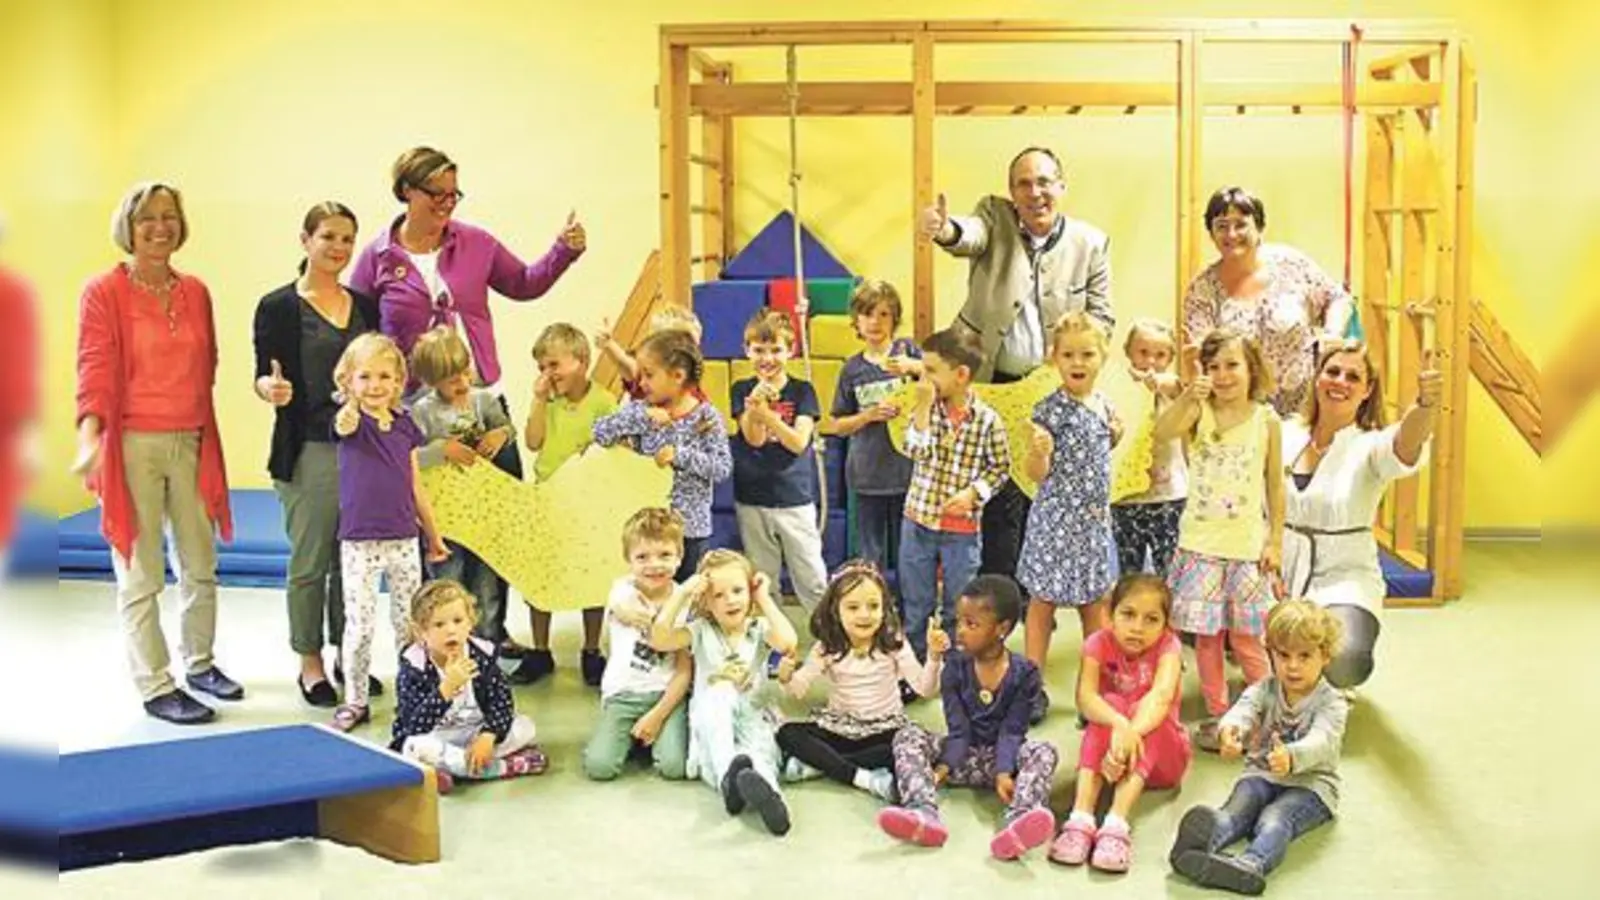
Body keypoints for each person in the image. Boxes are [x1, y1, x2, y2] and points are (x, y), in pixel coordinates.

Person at [349, 145, 586, 655]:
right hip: (420, 410)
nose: (446, 203)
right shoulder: (377, 258)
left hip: (482, 402)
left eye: (454, 193)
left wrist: (563, 251)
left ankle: (492, 632)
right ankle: (442, 637)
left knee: (499, 524)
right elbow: (359, 332)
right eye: (436, 193)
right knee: (442, 531)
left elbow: (524, 283)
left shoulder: (475, 243)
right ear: (406, 192)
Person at [74, 182, 238, 725]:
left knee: (200, 563)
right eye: (146, 218)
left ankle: (200, 663)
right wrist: (90, 436)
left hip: (191, 440)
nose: (160, 227)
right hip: (131, 445)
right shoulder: (104, 292)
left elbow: (207, 367)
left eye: (169, 216)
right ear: (128, 226)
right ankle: (155, 684)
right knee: (140, 572)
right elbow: (94, 366)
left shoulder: (196, 291)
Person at [918, 146, 1115, 582]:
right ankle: (994, 591)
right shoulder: (994, 216)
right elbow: (967, 236)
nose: (1034, 192)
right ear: (1011, 192)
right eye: (1023, 184)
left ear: (1061, 186)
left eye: (1043, 182)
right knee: (992, 493)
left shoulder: (1091, 243)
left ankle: (1034, 590)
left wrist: (1074, 352)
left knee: (1040, 490)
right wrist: (944, 229)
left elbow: (1103, 318)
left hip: (1051, 389)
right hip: (989, 382)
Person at [253, 202, 383, 707]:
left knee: (352, 563)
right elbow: (263, 373)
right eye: (328, 236)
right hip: (308, 448)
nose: (339, 247)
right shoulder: (278, 307)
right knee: (310, 562)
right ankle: (309, 661)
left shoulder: (365, 306)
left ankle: (348, 654)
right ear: (305, 240)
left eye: (347, 238)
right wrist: (269, 389)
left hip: (362, 451)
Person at [1281, 340, 1439, 690]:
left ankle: (1319, 682)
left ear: (1367, 391)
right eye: (1333, 371)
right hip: (1278, 571)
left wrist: (1425, 404)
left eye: (1353, 377)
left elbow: (1406, 443)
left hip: (1343, 576)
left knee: (1346, 660)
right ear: (1317, 378)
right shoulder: (1285, 433)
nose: (1340, 381)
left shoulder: (1370, 445)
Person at [1155, 330, 1284, 750]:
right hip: (1201, 546)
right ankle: (1219, 713)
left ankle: (1265, 713)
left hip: (1246, 547)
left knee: (1248, 638)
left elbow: (1275, 485)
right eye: (1214, 367)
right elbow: (1162, 430)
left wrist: (1275, 541)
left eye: (1232, 365)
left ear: (1251, 369)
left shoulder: (1267, 420)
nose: (1223, 375)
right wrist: (1188, 395)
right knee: (1207, 639)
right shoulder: (1199, 411)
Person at [1169, 600, 1349, 895]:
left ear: (1325, 656)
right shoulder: (1264, 688)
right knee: (1237, 809)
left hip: (1311, 786)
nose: (1292, 665)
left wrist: (1292, 756)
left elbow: (1323, 739)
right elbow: (1244, 710)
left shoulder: (1332, 702)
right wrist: (1231, 732)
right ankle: (1201, 845)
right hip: (1262, 774)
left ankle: (1252, 863)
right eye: (1283, 655)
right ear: (1271, 653)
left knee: (1275, 819)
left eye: (1304, 656)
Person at [875, 575, 1059, 860]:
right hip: (960, 757)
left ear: (1002, 629)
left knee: (1045, 751)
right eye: (959, 621)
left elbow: (1012, 730)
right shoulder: (954, 668)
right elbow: (958, 728)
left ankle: (1019, 820)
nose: (960, 631)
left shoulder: (1025, 674)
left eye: (971, 624)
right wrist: (943, 768)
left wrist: (1003, 771)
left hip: (1003, 762)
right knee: (907, 735)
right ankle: (922, 811)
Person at [330, 333, 450, 731]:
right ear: (348, 381)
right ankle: (355, 699)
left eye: (384, 376)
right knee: (360, 626)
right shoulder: (351, 421)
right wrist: (350, 405)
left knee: (408, 625)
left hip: (403, 539)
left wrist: (433, 535)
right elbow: (343, 423)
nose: (375, 385)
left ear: (399, 381)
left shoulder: (405, 426)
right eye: (364, 377)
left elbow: (415, 485)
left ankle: (412, 694)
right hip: (360, 542)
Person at [1016, 312, 1123, 724]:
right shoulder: (1048, 411)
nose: (1078, 362)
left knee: (1094, 606)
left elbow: (1102, 449)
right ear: (1054, 358)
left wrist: (1117, 432)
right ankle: (1031, 687)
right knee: (1041, 604)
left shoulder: (1105, 405)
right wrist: (1038, 452)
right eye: (1068, 355)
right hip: (1055, 524)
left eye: (1087, 354)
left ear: (1103, 357)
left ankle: (1091, 691)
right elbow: (1035, 473)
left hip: (1092, 526)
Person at [650, 550, 800, 837]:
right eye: (718, 595)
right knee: (721, 694)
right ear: (705, 601)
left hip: (753, 715)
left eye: (738, 591)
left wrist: (764, 599)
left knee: (758, 756)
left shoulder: (759, 628)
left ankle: (772, 799)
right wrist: (682, 593)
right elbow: (659, 638)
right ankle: (728, 780)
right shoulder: (700, 630)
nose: (730, 600)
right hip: (713, 721)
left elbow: (788, 643)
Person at [1049, 575, 1190, 873]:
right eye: (1128, 614)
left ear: (1166, 625)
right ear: (1108, 615)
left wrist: (1130, 732)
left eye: (1151, 619)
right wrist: (1119, 724)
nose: (1138, 627)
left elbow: (1162, 696)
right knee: (1108, 706)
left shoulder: (1170, 647)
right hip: (1111, 757)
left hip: (1164, 761)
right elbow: (1085, 698)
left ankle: (1116, 823)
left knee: (1147, 712)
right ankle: (1081, 817)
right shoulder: (1097, 644)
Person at [774, 560, 946, 800]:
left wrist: (934, 657)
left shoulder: (893, 643)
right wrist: (786, 677)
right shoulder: (827, 647)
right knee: (787, 733)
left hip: (885, 729)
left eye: (873, 606)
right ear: (836, 611)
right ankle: (862, 778)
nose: (864, 615)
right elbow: (798, 689)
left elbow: (925, 689)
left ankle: (820, 766)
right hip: (839, 728)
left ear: (884, 608)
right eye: (853, 607)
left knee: (910, 747)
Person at [1182, 186, 1355, 418]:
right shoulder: (1202, 290)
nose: (1231, 234)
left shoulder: (1290, 263)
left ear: (1259, 227)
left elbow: (1337, 297)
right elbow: (1204, 357)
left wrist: (1333, 333)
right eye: (1221, 226)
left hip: (1307, 411)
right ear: (1212, 234)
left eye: (1241, 225)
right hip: (1240, 416)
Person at [898, 328, 1010, 664]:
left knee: (959, 604)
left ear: (961, 375)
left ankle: (953, 666)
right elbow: (914, 450)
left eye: (931, 370)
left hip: (962, 531)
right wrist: (921, 408)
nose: (924, 377)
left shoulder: (988, 420)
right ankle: (915, 667)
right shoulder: (926, 410)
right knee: (916, 603)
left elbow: (1000, 468)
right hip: (919, 521)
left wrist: (974, 493)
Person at [516, 322, 618, 685]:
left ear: (582, 361)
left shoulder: (604, 401)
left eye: (554, 365)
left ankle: (591, 649)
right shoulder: (548, 401)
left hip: (588, 501)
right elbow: (533, 441)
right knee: (539, 574)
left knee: (592, 574)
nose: (548, 373)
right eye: (542, 367)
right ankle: (540, 650)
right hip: (548, 498)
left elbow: (613, 450)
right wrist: (538, 400)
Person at [592, 330, 732, 581]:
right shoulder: (642, 410)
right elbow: (600, 432)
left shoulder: (706, 417)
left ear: (677, 376)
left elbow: (721, 468)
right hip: (646, 533)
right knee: (647, 595)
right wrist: (642, 417)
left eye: (649, 375)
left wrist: (680, 456)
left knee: (686, 596)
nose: (641, 383)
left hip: (690, 532)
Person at [408, 326, 517, 642]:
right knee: (448, 582)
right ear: (431, 381)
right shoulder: (422, 412)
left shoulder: (483, 401)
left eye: (464, 373)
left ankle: (488, 643)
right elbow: (410, 458)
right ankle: (445, 644)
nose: (462, 383)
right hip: (445, 519)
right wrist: (441, 450)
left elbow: (507, 429)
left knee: (486, 583)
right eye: (451, 379)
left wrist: (500, 434)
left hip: (483, 513)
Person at [390, 580, 547, 795]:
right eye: (439, 625)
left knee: (525, 727)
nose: (451, 630)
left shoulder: (482, 655)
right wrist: (445, 690)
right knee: (414, 747)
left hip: (473, 733)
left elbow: (502, 702)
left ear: (470, 623)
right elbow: (414, 726)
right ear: (421, 632)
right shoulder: (414, 667)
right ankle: (498, 768)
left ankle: (451, 769)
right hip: (436, 737)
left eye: (458, 621)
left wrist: (488, 735)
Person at [583, 508, 692, 781]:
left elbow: (683, 670)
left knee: (674, 767)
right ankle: (633, 736)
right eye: (642, 557)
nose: (654, 565)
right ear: (628, 560)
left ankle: (648, 732)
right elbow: (629, 611)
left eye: (665, 555)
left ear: (679, 557)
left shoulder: (685, 602)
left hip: (665, 696)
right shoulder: (622, 591)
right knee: (600, 767)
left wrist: (658, 715)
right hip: (623, 694)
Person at [733, 310, 828, 610]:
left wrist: (767, 416)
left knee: (812, 577)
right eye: (759, 350)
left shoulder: (802, 391)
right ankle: (771, 635)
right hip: (752, 498)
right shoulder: (741, 389)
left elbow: (798, 442)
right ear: (747, 350)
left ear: (791, 351)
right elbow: (754, 439)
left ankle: (829, 634)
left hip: (794, 498)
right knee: (763, 580)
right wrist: (755, 407)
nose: (767, 358)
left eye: (776, 350)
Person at [829, 279, 919, 575]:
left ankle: (910, 605)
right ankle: (873, 602)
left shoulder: (909, 353)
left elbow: (941, 382)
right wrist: (867, 416)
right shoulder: (852, 369)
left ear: (895, 318)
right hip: (868, 475)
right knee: (871, 555)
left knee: (910, 554)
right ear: (856, 320)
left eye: (884, 314)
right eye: (868, 314)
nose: (875, 322)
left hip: (909, 472)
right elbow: (837, 424)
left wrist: (914, 368)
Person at [1110, 318, 1188, 578]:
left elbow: (1178, 387)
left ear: (1170, 358)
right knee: (1128, 571)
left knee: (1169, 570)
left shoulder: (1173, 388)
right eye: (1143, 352)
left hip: (1168, 497)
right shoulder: (1117, 389)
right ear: (1128, 352)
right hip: (1126, 498)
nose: (1150, 361)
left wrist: (1158, 383)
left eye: (1160, 355)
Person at [595, 305, 705, 402]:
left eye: (693, 345)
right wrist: (609, 346)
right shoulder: (649, 379)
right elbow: (631, 369)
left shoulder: (693, 391)